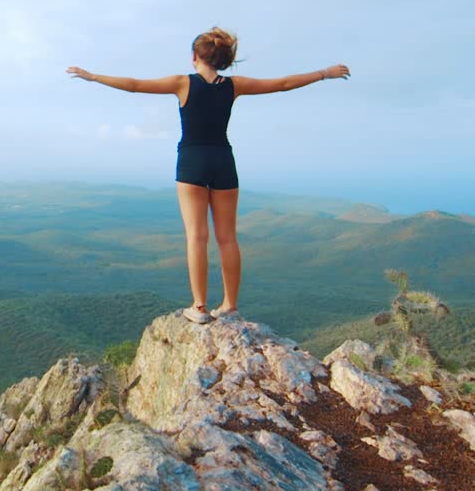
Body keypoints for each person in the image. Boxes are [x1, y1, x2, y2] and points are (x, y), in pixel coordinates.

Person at [66, 27, 350, 324]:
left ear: (194, 57)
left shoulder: (182, 83)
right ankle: (230, 306)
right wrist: (324, 73)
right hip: (223, 160)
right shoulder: (234, 85)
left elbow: (135, 85)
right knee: (227, 238)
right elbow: (282, 83)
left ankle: (199, 308)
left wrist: (94, 76)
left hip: (192, 161)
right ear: (222, 58)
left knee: (196, 237)